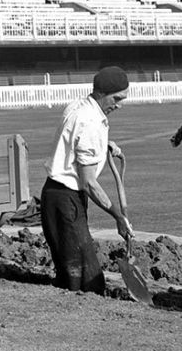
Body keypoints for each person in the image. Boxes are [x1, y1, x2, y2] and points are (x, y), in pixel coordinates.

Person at [40, 65, 134, 293]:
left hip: (55, 195)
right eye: (117, 99)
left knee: (71, 271)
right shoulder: (90, 121)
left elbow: (73, 139)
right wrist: (118, 217)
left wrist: (105, 147)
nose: (119, 105)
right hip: (65, 199)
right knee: (86, 278)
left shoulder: (81, 106)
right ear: (102, 94)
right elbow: (89, 183)